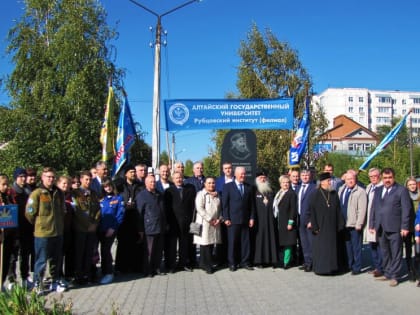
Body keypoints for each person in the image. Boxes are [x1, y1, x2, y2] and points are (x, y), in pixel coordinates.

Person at [25, 167, 67, 293]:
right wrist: (40, 224)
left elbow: (62, 210)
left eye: (53, 177)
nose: (51, 179)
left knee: (56, 259)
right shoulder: (37, 193)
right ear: (42, 178)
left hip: (57, 232)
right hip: (43, 233)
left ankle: (54, 282)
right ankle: (38, 284)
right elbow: (29, 213)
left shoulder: (59, 192)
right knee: (41, 260)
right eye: (48, 176)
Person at [369, 168, 411, 287]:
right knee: (385, 251)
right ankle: (387, 273)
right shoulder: (378, 190)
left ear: (394, 177)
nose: (387, 180)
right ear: (382, 178)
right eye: (385, 178)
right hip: (381, 227)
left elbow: (406, 209)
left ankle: (395, 276)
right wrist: (372, 224)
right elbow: (373, 208)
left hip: (395, 227)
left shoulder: (401, 190)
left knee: (396, 252)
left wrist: (405, 226)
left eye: (390, 178)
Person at [310, 172, 345, 275]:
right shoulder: (315, 195)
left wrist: (340, 224)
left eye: (330, 180)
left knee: (332, 249)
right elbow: (312, 212)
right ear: (322, 182)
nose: (330, 182)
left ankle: (333, 268)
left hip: (332, 227)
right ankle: (321, 269)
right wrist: (315, 226)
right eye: (328, 181)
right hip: (321, 227)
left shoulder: (333, 194)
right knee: (322, 249)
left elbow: (338, 210)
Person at [222, 166, 255, 271]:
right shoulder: (228, 187)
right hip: (232, 220)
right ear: (235, 174)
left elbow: (252, 205)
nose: (243, 176)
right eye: (241, 174)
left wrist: (251, 218)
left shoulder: (249, 187)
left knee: (245, 243)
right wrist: (226, 217)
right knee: (232, 243)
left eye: (244, 174)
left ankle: (245, 262)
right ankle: (232, 263)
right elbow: (225, 204)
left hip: (245, 220)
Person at [72, 170, 101, 285]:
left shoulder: (93, 194)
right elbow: (77, 211)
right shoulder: (75, 194)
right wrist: (87, 225)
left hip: (92, 229)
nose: (88, 182)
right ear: (81, 180)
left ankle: (88, 274)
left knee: (89, 253)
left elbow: (98, 210)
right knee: (79, 253)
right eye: (86, 179)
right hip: (80, 228)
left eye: (90, 179)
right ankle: (79, 276)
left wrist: (94, 224)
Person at [164, 171, 196, 272]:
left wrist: (192, 221)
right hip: (173, 223)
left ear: (183, 178)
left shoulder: (189, 190)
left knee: (184, 244)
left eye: (180, 178)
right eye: (176, 178)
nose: (179, 180)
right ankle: (172, 265)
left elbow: (193, 207)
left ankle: (183, 264)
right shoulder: (168, 191)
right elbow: (166, 208)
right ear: (173, 179)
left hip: (186, 222)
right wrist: (167, 223)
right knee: (172, 246)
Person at [338, 170, 367, 275]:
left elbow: (362, 209)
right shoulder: (341, 189)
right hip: (344, 223)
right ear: (344, 180)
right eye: (348, 179)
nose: (350, 181)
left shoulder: (360, 191)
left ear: (355, 179)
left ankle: (357, 266)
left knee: (356, 246)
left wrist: (359, 223)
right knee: (347, 246)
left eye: (352, 179)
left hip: (354, 224)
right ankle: (349, 265)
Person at [137, 174, 166, 277]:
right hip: (149, 227)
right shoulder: (142, 195)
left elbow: (163, 211)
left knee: (158, 250)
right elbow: (140, 213)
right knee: (149, 251)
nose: (153, 183)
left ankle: (157, 268)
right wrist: (140, 229)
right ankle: (148, 270)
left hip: (160, 226)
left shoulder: (159, 194)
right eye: (151, 182)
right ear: (146, 183)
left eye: (154, 182)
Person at [115, 164, 143, 274]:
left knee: (136, 243)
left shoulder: (139, 186)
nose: (133, 174)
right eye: (131, 172)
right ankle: (122, 268)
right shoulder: (120, 185)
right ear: (126, 174)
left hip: (136, 217)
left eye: (134, 172)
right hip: (124, 218)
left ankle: (135, 266)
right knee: (123, 243)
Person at [10, 168, 34, 288]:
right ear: (15, 178)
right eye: (20, 176)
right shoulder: (12, 192)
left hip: (27, 227)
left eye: (24, 176)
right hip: (15, 229)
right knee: (13, 256)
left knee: (25, 255)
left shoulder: (28, 190)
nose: (23, 179)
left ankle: (25, 277)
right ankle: (11, 280)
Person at [193, 176, 222, 274]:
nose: (211, 185)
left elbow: (221, 209)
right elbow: (199, 208)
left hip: (215, 223)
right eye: (209, 183)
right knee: (205, 244)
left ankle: (203, 263)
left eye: (213, 183)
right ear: (204, 184)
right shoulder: (201, 194)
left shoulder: (217, 195)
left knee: (211, 243)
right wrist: (210, 219)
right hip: (205, 223)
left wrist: (219, 219)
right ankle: (207, 266)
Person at [98, 178, 124, 284]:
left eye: (109, 186)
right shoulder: (101, 199)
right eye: (105, 186)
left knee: (106, 250)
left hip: (111, 229)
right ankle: (103, 271)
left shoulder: (118, 198)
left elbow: (120, 215)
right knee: (102, 251)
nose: (108, 188)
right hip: (99, 229)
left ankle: (109, 273)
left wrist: (113, 228)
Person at [253, 169, 277, 268]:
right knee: (260, 240)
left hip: (270, 221)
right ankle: (260, 261)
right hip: (259, 220)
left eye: (264, 178)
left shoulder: (271, 190)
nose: (263, 179)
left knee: (271, 239)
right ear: (257, 179)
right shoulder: (253, 190)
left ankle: (271, 260)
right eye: (260, 178)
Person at [273, 175, 297, 269]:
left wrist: (290, 222)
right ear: (280, 184)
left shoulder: (291, 194)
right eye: (284, 182)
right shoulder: (279, 193)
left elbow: (293, 209)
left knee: (288, 243)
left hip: (287, 221)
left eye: (287, 182)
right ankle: (280, 260)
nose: (285, 184)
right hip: (279, 221)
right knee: (281, 242)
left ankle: (286, 262)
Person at [364, 168, 384, 277]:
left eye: (375, 176)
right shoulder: (369, 187)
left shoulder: (382, 188)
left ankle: (381, 268)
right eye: (371, 176)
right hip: (369, 220)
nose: (373, 178)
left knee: (380, 245)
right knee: (372, 245)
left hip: (378, 221)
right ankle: (377, 266)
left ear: (379, 175)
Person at [0, 174, 18, 290]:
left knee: (6, 261)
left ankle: (1, 283)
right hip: (1, 235)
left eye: (7, 184)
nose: (6, 186)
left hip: (9, 233)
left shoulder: (8, 196)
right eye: (3, 184)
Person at [297, 168, 316, 272]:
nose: (305, 177)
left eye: (307, 175)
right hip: (300, 220)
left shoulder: (314, 188)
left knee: (311, 242)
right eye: (303, 175)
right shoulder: (299, 187)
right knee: (304, 243)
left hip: (309, 221)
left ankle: (312, 263)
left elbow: (315, 206)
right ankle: (307, 261)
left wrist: (312, 220)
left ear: (310, 176)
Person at [56, 176, 74, 282]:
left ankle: (69, 274)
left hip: (69, 228)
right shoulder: (56, 195)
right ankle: (59, 275)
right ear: (58, 184)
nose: (66, 186)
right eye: (63, 183)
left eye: (67, 184)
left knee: (69, 252)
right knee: (59, 254)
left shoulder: (71, 196)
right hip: (58, 229)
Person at [404, 176, 417, 281]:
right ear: (407, 186)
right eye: (410, 185)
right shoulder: (404, 196)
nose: (412, 186)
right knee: (408, 250)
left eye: (414, 184)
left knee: (418, 251)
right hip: (408, 226)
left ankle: (417, 272)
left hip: (418, 227)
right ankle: (410, 271)